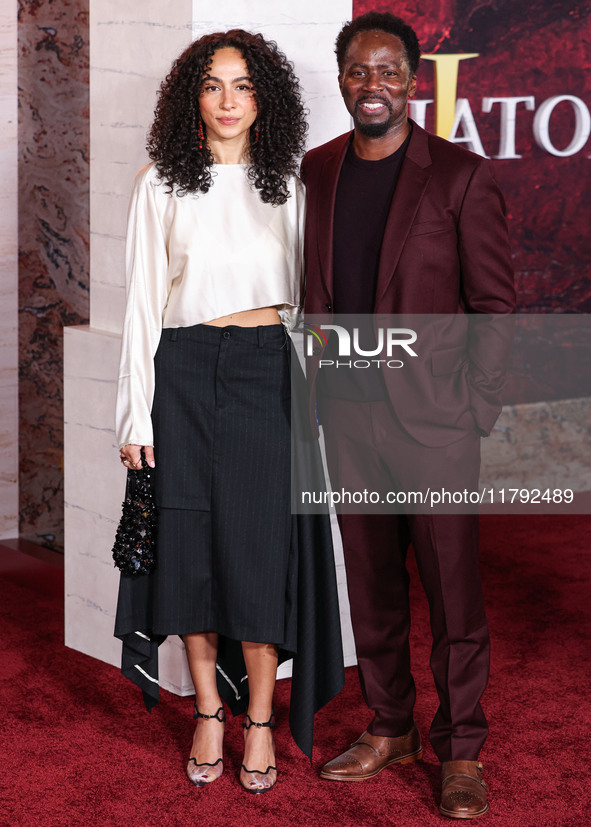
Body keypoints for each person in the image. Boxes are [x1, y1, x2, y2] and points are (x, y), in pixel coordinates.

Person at [113, 29, 343, 795]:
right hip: (179, 371)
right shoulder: (160, 185)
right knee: (189, 546)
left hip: (266, 371)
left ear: (263, 97)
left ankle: (260, 718)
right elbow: (143, 308)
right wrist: (133, 416)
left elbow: (311, 306)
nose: (227, 102)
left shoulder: (289, 185)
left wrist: (322, 400)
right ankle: (209, 707)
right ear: (191, 97)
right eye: (212, 85)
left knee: (255, 549)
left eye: (242, 86)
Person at [301, 12, 515, 819]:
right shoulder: (318, 170)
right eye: (358, 71)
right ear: (342, 80)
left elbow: (493, 302)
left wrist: (474, 408)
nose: (373, 86)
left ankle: (461, 746)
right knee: (373, 587)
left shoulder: (458, 176)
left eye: (389, 71)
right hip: (346, 417)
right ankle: (391, 724)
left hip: (435, 423)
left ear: (414, 80)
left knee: (453, 593)